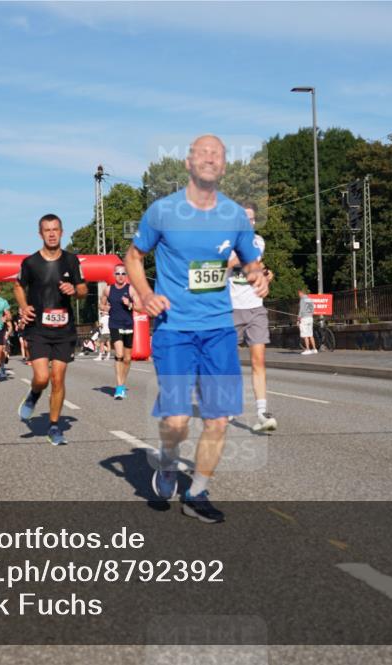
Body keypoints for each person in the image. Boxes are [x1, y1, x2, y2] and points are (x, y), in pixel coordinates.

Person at [125, 134, 268, 523]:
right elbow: (134, 256)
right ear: (188, 163)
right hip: (174, 330)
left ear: (223, 166)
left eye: (217, 155)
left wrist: (258, 276)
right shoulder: (163, 212)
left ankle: (198, 492)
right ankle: (168, 463)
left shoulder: (235, 215)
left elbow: (250, 260)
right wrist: (145, 292)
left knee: (218, 419)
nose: (209, 159)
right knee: (176, 421)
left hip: (218, 330)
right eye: (202, 153)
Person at [15, 213, 87, 446]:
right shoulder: (30, 263)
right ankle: (34, 394)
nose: (52, 233)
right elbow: (18, 287)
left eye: (55, 229)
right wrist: (24, 306)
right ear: (40, 234)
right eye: (47, 230)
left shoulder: (71, 260)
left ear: (61, 232)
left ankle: (54, 426)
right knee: (42, 377)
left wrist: (74, 290)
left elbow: (84, 289)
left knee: (57, 379)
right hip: (38, 328)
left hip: (64, 329)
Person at [228, 202, 277, 432]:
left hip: (256, 307)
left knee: (259, 360)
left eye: (250, 219)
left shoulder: (259, 242)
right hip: (231, 308)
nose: (247, 223)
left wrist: (267, 274)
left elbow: (259, 266)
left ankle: (261, 411)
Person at [99, 264, 137, 399]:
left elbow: (139, 305)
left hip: (128, 325)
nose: (120, 276)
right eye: (118, 274)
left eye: (123, 274)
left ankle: (122, 383)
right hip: (114, 324)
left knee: (127, 359)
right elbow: (101, 303)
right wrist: (105, 308)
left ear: (126, 276)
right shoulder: (108, 290)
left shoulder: (131, 289)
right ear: (114, 275)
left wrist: (130, 304)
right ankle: (119, 387)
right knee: (119, 355)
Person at [298, 288, 316, 355]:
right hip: (310, 318)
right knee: (310, 334)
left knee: (305, 334)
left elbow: (301, 310)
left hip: (304, 318)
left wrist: (298, 319)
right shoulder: (310, 299)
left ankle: (308, 349)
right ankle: (314, 349)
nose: (299, 295)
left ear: (301, 293)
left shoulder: (302, 299)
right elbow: (313, 308)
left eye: (299, 293)